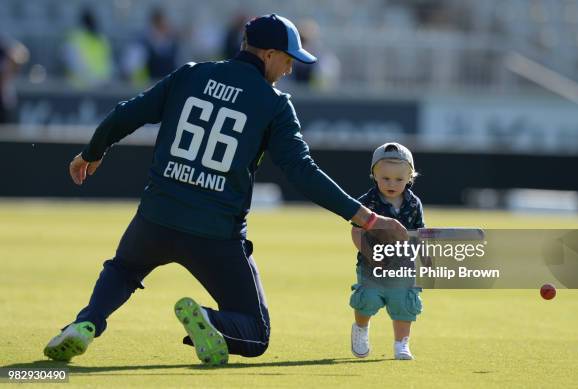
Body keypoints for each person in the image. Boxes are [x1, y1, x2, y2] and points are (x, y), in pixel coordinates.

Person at [43, 14, 406, 366]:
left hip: (156, 217)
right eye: (288, 59)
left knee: (123, 270)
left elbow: (126, 113)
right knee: (256, 334)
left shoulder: (190, 74)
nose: (291, 69)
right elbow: (302, 172)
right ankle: (209, 320)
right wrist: (368, 218)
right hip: (215, 236)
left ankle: (86, 323)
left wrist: (91, 153)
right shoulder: (274, 104)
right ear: (267, 54)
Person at [349, 142, 424, 360]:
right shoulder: (366, 202)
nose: (392, 184)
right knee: (368, 299)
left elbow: (419, 231)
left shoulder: (414, 203)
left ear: (410, 177)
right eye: (385, 178)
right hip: (372, 265)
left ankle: (402, 343)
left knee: (404, 303)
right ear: (374, 175)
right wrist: (370, 254)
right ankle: (361, 329)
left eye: (399, 179)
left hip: (403, 265)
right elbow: (356, 232)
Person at [63, 8, 113, 88]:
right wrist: (93, 80)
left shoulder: (101, 39)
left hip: (101, 86)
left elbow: (108, 63)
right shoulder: (75, 38)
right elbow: (74, 63)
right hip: (79, 87)